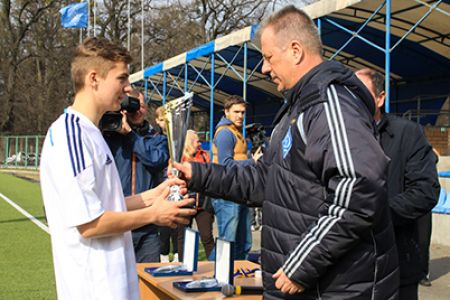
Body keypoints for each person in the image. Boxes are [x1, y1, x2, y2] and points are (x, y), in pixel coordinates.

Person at [175, 6, 399, 299]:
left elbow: (358, 188)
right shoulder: (296, 108)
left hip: (335, 289)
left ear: (295, 51)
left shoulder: (329, 105)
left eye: (268, 57)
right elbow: (264, 180)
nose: (264, 69)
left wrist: (302, 264)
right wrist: (199, 174)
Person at [39, 37, 195, 300]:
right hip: (95, 289)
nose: (127, 89)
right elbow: (89, 224)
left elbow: (106, 204)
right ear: (94, 78)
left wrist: (154, 195)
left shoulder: (90, 132)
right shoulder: (72, 136)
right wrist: (153, 214)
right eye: (121, 79)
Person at [356, 68, 439, 300]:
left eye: (360, 92)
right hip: (352, 268)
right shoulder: (336, 136)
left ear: (380, 98)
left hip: (397, 262)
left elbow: (425, 191)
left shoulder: (407, 134)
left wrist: (378, 216)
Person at [104, 90, 169, 262]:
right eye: (132, 106)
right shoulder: (110, 136)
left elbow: (157, 160)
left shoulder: (156, 138)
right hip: (118, 221)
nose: (137, 110)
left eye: (140, 106)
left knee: (149, 280)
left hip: (147, 225)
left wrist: (130, 136)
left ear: (146, 108)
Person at [211, 95, 260, 260]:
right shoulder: (225, 133)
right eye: (236, 112)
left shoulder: (236, 132)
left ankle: (239, 276)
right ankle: (212, 274)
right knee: (227, 241)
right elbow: (226, 164)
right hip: (226, 191)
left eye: (243, 112)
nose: (240, 116)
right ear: (226, 112)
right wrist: (252, 162)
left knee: (244, 242)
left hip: (239, 190)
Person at [176, 130, 215, 261]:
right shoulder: (179, 158)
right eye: (197, 141)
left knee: (207, 237)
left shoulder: (204, 156)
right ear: (189, 142)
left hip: (203, 204)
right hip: (185, 202)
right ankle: (183, 265)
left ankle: (214, 266)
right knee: (183, 237)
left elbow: (211, 175)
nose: (200, 144)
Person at [155, 105, 179, 262]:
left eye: (168, 119)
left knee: (178, 225)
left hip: (177, 187)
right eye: (163, 120)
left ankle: (178, 255)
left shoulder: (178, 138)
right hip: (161, 187)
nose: (166, 123)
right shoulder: (156, 139)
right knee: (164, 227)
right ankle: (163, 256)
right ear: (157, 121)